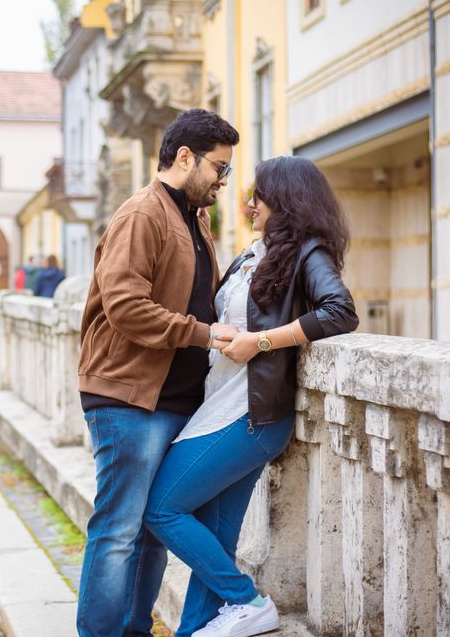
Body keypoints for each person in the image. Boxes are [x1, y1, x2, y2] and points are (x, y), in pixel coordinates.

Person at [142, 156, 359, 636]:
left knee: (160, 508)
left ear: (284, 199)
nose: (247, 203)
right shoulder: (252, 254)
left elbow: (340, 311)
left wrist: (260, 342)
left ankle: (247, 600)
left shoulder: (308, 253)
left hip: (251, 415)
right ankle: (197, 628)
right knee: (216, 534)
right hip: (219, 402)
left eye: (257, 194)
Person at [76, 108, 240, 637]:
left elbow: (198, 298)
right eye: (219, 167)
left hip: (175, 400)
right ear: (185, 157)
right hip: (127, 397)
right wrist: (203, 334)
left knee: (149, 530)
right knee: (120, 527)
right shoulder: (141, 214)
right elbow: (125, 305)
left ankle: (132, 631)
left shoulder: (194, 218)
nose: (223, 180)